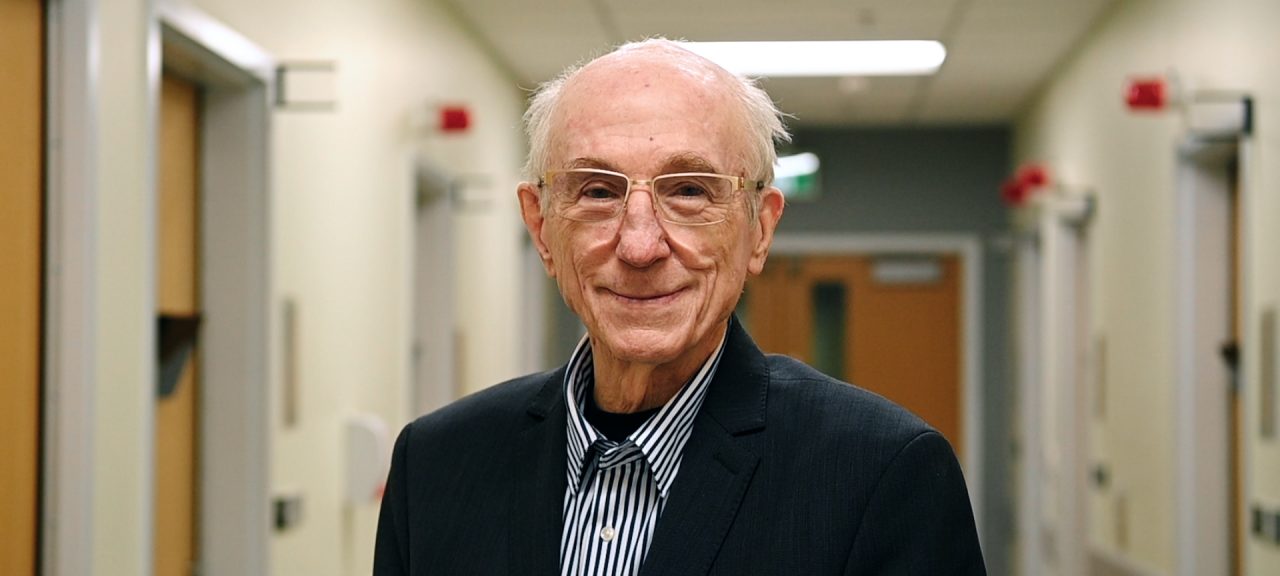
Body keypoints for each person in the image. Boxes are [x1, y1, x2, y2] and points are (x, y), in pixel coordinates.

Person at [374, 38, 986, 575]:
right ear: (541, 229)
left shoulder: (881, 474)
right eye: (597, 191)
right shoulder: (435, 466)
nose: (640, 245)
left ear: (760, 231)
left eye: (690, 190)